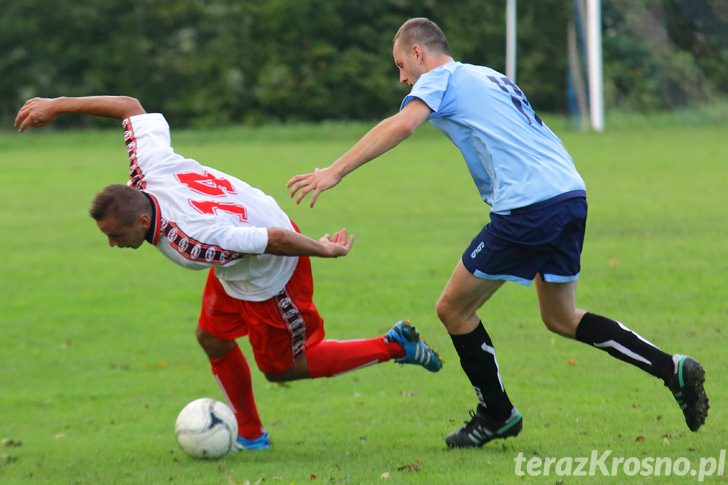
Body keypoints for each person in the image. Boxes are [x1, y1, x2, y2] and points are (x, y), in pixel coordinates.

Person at [287, 17, 709, 448]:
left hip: (528, 207)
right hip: (569, 195)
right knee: (561, 316)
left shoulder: (441, 76)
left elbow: (403, 125)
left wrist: (335, 171)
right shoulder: (487, 75)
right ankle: (670, 368)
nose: (401, 78)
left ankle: (497, 414)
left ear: (418, 53)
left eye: (400, 64)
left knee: (453, 308)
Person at [15, 95, 442, 451]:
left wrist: (324, 250)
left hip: (273, 274)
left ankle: (393, 346)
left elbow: (274, 238)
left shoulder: (189, 238)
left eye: (114, 234)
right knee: (211, 337)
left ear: (142, 223)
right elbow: (131, 107)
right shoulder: (147, 170)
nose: (111, 244)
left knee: (284, 368)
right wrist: (57, 105)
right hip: (236, 263)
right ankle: (252, 435)